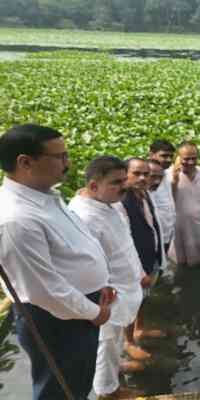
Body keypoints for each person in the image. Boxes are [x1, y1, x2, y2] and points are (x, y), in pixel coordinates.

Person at [0, 124, 113, 400]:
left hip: (78, 307)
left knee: (78, 381)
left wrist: (100, 285)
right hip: (57, 320)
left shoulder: (46, 196)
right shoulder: (17, 219)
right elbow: (44, 290)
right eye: (59, 157)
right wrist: (94, 311)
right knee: (60, 389)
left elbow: (73, 251)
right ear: (25, 162)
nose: (68, 163)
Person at [68, 156, 145, 399]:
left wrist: (138, 272)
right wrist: (104, 286)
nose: (124, 186)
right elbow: (81, 264)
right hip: (108, 293)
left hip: (123, 284)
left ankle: (114, 368)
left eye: (124, 180)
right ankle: (107, 391)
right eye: (116, 182)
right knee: (106, 342)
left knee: (113, 339)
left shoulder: (108, 202)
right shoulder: (84, 216)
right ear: (93, 186)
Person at [116, 158, 166, 360]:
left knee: (142, 298)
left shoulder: (144, 194)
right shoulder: (120, 202)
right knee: (130, 302)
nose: (143, 178)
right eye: (136, 173)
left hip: (149, 256)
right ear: (125, 175)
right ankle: (128, 342)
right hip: (134, 265)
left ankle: (140, 328)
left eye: (146, 174)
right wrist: (138, 272)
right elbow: (122, 242)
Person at [148, 140, 176, 254]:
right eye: (164, 156)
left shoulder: (169, 173)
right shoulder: (144, 178)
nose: (168, 159)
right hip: (152, 237)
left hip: (167, 233)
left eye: (171, 156)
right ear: (151, 155)